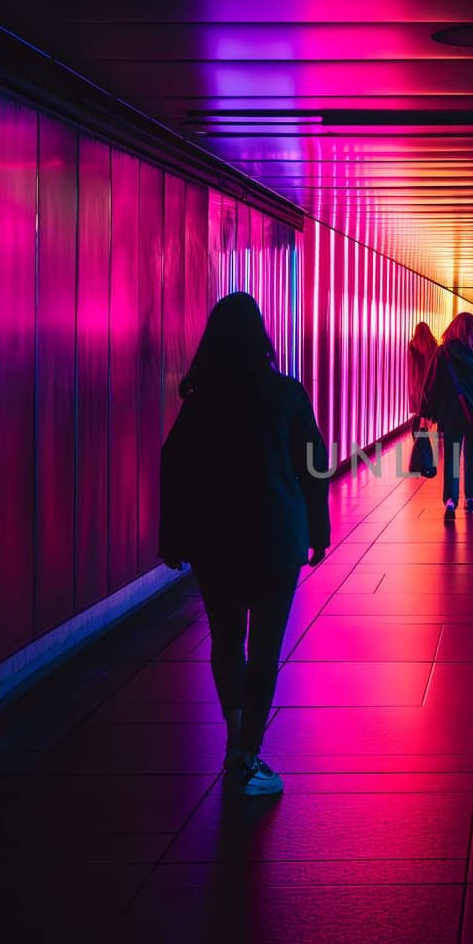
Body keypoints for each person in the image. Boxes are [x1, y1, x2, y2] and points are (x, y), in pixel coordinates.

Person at [158, 293, 330, 798]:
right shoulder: (286, 395)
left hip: (217, 542)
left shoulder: (201, 400)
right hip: (276, 536)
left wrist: (173, 538)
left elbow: (176, 467)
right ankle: (248, 755)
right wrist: (317, 533)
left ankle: (234, 739)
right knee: (265, 648)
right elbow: (313, 467)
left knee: (226, 640)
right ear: (262, 338)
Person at [422, 313, 473, 520]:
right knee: (472, 455)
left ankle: (450, 501)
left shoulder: (444, 353)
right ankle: (472, 499)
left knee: (451, 457)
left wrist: (427, 412)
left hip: (451, 413)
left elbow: (431, 384)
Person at [407, 322, 438, 431]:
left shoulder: (412, 346)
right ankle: (424, 431)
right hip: (430, 381)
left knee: (418, 411)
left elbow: (410, 366)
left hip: (416, 382)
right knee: (426, 409)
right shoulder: (433, 345)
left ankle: (418, 435)